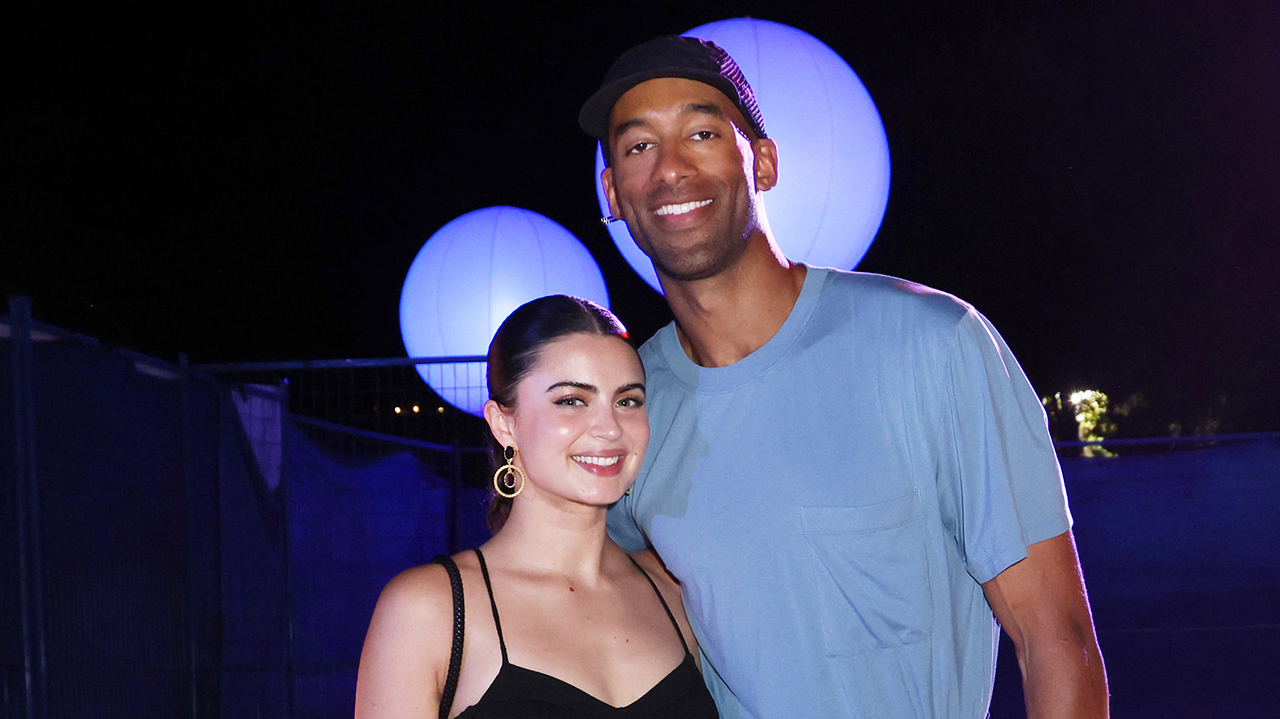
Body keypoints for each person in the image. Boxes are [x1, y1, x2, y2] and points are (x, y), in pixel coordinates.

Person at [579, 35, 1109, 718]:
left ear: (763, 163)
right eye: (638, 146)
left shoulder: (931, 344)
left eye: (703, 132)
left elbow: (1055, 638)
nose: (670, 168)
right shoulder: (629, 403)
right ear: (613, 191)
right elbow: (583, 593)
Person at [355, 295, 719, 718]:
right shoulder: (427, 610)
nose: (609, 428)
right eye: (571, 400)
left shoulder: (674, 591)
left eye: (628, 401)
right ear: (503, 424)